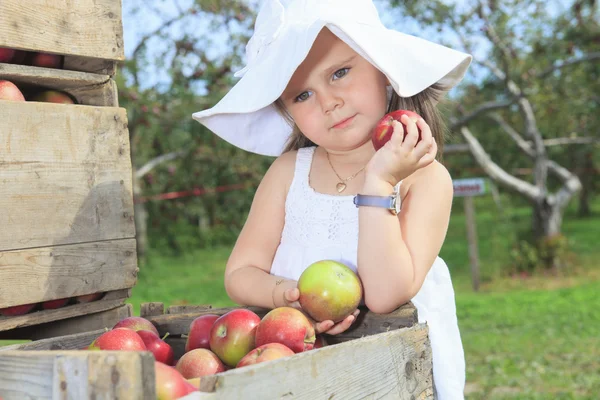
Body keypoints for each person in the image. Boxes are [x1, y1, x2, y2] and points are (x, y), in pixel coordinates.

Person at [193, 0, 472, 398]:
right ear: (286, 111)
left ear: (384, 70)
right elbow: (240, 272)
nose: (328, 102)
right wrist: (290, 297)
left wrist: (378, 183)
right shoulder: (289, 173)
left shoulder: (424, 180)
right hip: (305, 372)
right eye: (302, 95)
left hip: (397, 373)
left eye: (340, 73)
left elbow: (385, 293)